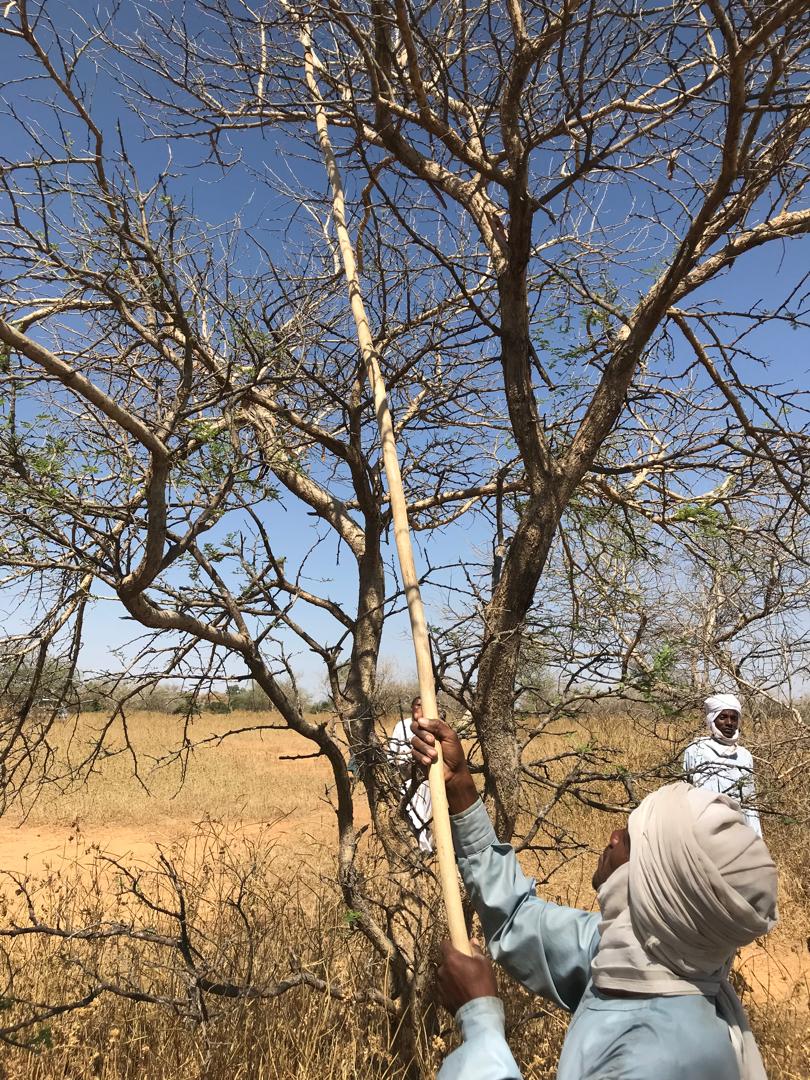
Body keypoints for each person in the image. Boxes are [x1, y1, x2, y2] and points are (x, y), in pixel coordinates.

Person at [411, 715, 778, 1080]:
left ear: (662, 894)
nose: (615, 836)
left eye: (633, 841)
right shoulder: (633, 955)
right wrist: (459, 786)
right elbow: (517, 917)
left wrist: (478, 1019)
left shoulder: (664, 1060)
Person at [684, 693, 762, 836]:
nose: (729, 723)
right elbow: (684, 794)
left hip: (738, 831)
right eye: (722, 717)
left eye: (734, 718)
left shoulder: (744, 756)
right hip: (704, 831)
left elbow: (751, 803)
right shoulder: (696, 749)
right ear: (712, 719)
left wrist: (756, 837)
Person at [388, 695, 433, 852]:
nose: (417, 708)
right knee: (413, 811)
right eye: (415, 705)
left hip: (427, 778)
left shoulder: (431, 727)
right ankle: (418, 848)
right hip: (407, 777)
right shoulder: (402, 725)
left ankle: (426, 848)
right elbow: (392, 754)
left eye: (421, 705)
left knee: (426, 814)